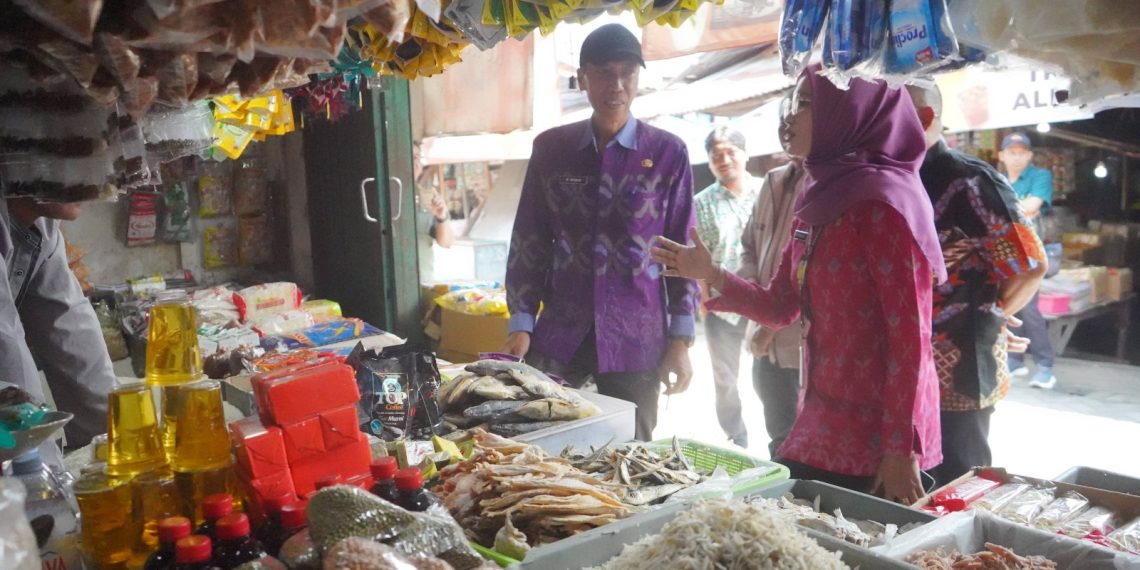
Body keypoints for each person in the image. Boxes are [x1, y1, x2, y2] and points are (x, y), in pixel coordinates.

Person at [651, 65, 944, 504]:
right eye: (793, 101)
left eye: (806, 103)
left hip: (879, 442)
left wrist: (900, 450)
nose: (789, 116)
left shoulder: (885, 204)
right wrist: (712, 274)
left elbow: (911, 339)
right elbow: (781, 307)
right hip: (821, 419)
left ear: (849, 113)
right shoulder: (819, 197)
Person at [500, 23, 698, 441]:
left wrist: (680, 340)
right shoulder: (552, 149)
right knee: (540, 441)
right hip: (560, 332)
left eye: (628, 72)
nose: (618, 84)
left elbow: (684, 251)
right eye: (605, 72)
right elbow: (529, 238)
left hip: (637, 339)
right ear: (583, 77)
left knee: (631, 451)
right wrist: (521, 321)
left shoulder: (667, 153)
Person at [907, 85, 1048, 486]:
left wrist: (994, 315)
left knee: (957, 481)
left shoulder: (967, 181)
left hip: (959, 367)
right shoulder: (897, 176)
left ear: (926, 118)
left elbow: (1030, 264)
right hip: (904, 362)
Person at [1, 198, 115, 462]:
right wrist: (43, 480)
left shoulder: (43, 228)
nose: (99, 182)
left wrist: (121, 443)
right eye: (82, 157)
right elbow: (6, 353)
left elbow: (71, 332)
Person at [738, 116, 805, 460]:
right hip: (765, 349)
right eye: (783, 116)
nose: (787, 124)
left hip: (802, 351)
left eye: (802, 109)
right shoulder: (773, 181)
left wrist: (769, 325)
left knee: (804, 453)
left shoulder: (830, 188)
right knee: (779, 443)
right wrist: (753, 303)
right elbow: (748, 246)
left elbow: (808, 279)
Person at [693, 126, 759, 448]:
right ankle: (737, 437)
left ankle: (781, 434)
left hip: (766, 300)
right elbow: (699, 257)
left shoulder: (766, 193)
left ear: (745, 154)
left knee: (770, 372)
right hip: (723, 305)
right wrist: (705, 303)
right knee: (725, 378)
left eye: (731, 151)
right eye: (716, 155)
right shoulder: (701, 203)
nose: (724, 159)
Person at [998, 132, 1058, 390]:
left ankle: (1045, 366)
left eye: (1022, 152)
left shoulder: (1040, 176)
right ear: (1002, 156)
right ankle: (1015, 360)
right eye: (1012, 152)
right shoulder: (997, 179)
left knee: (1029, 307)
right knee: (1010, 304)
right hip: (1010, 253)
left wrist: (1001, 210)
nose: (1017, 156)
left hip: (1039, 253)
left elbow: (1032, 206)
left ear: (1030, 156)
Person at [413, 144, 454, 282]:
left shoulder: (428, 196)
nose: (414, 162)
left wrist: (441, 217)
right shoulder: (382, 195)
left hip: (421, 280)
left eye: (417, 157)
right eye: (409, 157)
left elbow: (446, 242)